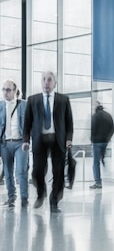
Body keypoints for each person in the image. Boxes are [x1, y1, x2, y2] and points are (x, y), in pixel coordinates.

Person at [22, 71, 74, 213]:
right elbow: (27, 122)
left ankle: (54, 202)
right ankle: (41, 193)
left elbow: (69, 122)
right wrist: (25, 140)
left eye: (49, 80)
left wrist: (69, 139)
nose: (46, 82)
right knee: (37, 170)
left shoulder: (63, 100)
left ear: (54, 83)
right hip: (40, 141)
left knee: (58, 173)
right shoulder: (33, 100)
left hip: (58, 141)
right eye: (43, 79)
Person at [1, 79, 28, 208]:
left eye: (8, 90)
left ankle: (24, 199)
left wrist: (28, 139)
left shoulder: (24, 105)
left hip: (20, 143)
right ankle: (11, 198)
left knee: (21, 172)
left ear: (15, 91)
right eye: (3, 89)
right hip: (5, 144)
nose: (5, 92)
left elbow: (30, 123)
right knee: (7, 172)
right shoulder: (0, 106)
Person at [90, 100, 114, 189]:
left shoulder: (95, 116)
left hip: (97, 142)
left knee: (96, 162)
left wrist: (92, 140)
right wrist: (108, 139)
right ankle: (104, 162)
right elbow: (112, 128)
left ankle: (98, 182)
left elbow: (93, 129)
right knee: (101, 158)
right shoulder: (108, 115)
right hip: (105, 141)